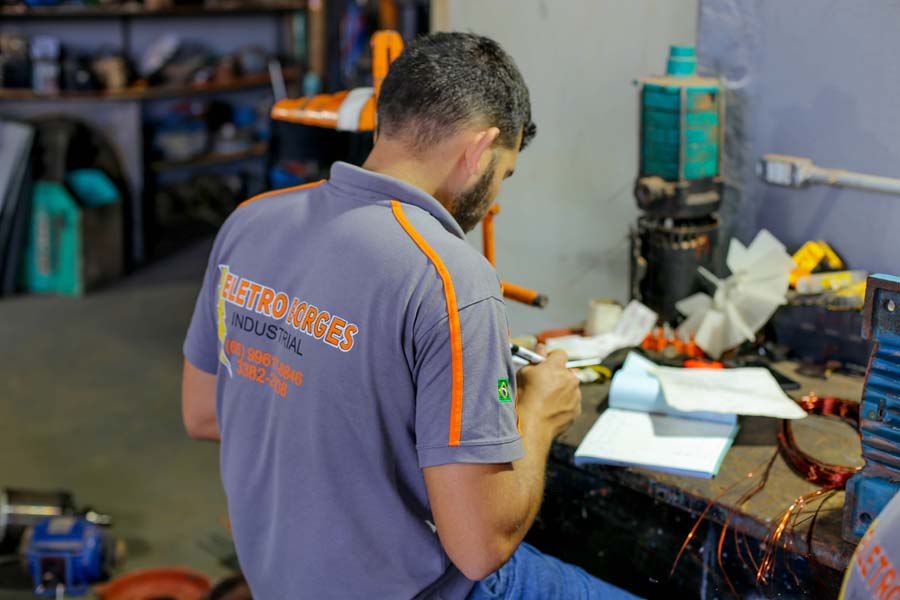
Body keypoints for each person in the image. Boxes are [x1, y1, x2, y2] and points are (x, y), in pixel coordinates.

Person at [181, 32, 638, 599]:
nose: (495, 196)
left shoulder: (252, 220)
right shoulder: (449, 277)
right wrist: (540, 414)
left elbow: (203, 413)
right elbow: (479, 548)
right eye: (504, 173)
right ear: (480, 149)